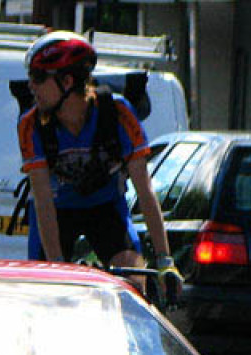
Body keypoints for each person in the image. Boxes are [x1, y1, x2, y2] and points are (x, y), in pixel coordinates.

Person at [16, 31, 181, 302]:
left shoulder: (117, 113)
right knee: (44, 291)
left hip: (106, 207)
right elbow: (43, 200)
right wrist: (56, 266)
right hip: (57, 212)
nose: (31, 86)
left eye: (37, 77)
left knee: (132, 280)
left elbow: (145, 190)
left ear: (67, 81)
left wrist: (164, 260)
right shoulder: (31, 124)